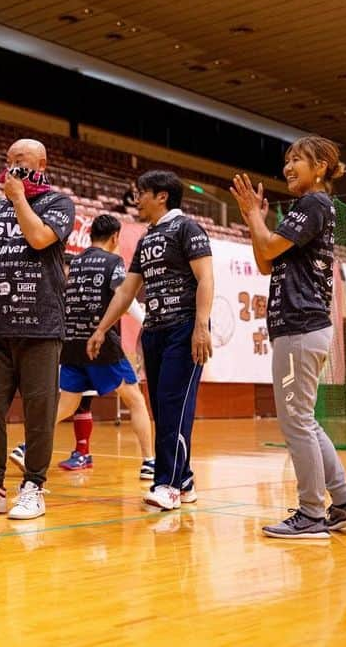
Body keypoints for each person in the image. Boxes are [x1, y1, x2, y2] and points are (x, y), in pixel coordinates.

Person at [231, 136, 346, 539]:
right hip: (303, 329)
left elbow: (269, 244)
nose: (288, 166)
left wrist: (254, 216)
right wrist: (251, 217)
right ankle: (343, 502)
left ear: (321, 167)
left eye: (297, 160)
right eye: (286, 159)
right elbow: (264, 261)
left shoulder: (313, 204)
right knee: (304, 421)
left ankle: (311, 513)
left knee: (296, 425)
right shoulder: (308, 208)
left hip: (300, 327)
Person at [0, 138, 75, 520]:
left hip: (42, 325)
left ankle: (33, 486)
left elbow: (39, 238)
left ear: (41, 162)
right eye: (9, 162)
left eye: (20, 161)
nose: (13, 168)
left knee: (39, 411)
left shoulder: (59, 203)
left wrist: (19, 198)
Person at [89, 169, 214, 511]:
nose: (137, 199)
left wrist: (201, 325)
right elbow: (128, 290)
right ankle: (184, 481)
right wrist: (101, 328)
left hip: (184, 329)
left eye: (142, 192)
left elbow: (206, 278)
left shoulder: (188, 228)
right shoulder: (146, 238)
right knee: (162, 408)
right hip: (155, 331)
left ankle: (168, 484)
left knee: (174, 406)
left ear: (162, 196)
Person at [9, 214, 155, 477]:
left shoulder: (74, 263)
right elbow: (124, 297)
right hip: (100, 345)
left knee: (66, 405)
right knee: (136, 400)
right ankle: (149, 462)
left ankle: (25, 446)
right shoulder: (114, 262)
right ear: (114, 237)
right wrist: (147, 321)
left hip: (72, 344)